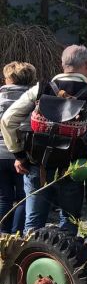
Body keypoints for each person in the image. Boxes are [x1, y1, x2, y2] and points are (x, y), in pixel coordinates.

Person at [1, 45, 87, 235]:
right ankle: (67, 261)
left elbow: (7, 120)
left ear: (62, 65)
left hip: (37, 164)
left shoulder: (42, 87)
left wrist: (19, 155)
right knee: (69, 223)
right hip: (71, 167)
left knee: (33, 223)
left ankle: (30, 260)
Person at [0, 62, 36, 234]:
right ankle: (17, 237)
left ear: (10, 78)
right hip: (24, 154)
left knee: (3, 198)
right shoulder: (33, 99)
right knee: (24, 198)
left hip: (0, 154)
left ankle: (2, 238)